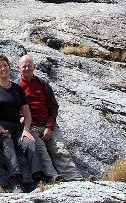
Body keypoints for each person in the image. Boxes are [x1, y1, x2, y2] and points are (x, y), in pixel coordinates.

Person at [18, 54, 81, 182]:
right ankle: (53, 177)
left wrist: (49, 126)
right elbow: (14, 108)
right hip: (31, 126)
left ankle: (74, 178)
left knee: (60, 149)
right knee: (41, 150)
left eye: (29, 66)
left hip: (48, 123)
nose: (27, 69)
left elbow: (53, 106)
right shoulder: (17, 87)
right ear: (19, 68)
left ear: (34, 67)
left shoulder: (43, 84)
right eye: (24, 66)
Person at [0, 54, 39, 192]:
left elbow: (27, 113)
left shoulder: (18, 89)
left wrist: (26, 129)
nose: (3, 69)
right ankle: (16, 181)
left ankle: (38, 177)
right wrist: (1, 130)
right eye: (0, 67)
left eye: (5, 65)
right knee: (7, 143)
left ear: (10, 67)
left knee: (30, 142)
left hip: (17, 127)